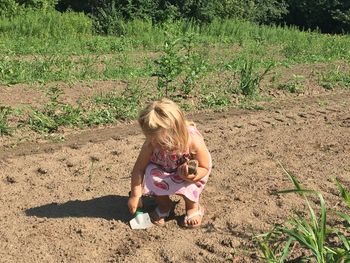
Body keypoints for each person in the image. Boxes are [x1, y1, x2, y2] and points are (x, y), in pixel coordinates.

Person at [127, 98, 212, 228]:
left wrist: (193, 175)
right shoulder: (151, 145)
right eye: (152, 140)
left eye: (162, 143)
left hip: (186, 173)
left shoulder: (193, 141)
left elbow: (204, 167)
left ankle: (193, 208)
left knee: (190, 183)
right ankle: (165, 205)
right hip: (164, 170)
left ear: (178, 132)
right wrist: (135, 194)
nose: (156, 145)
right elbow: (139, 169)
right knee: (151, 172)